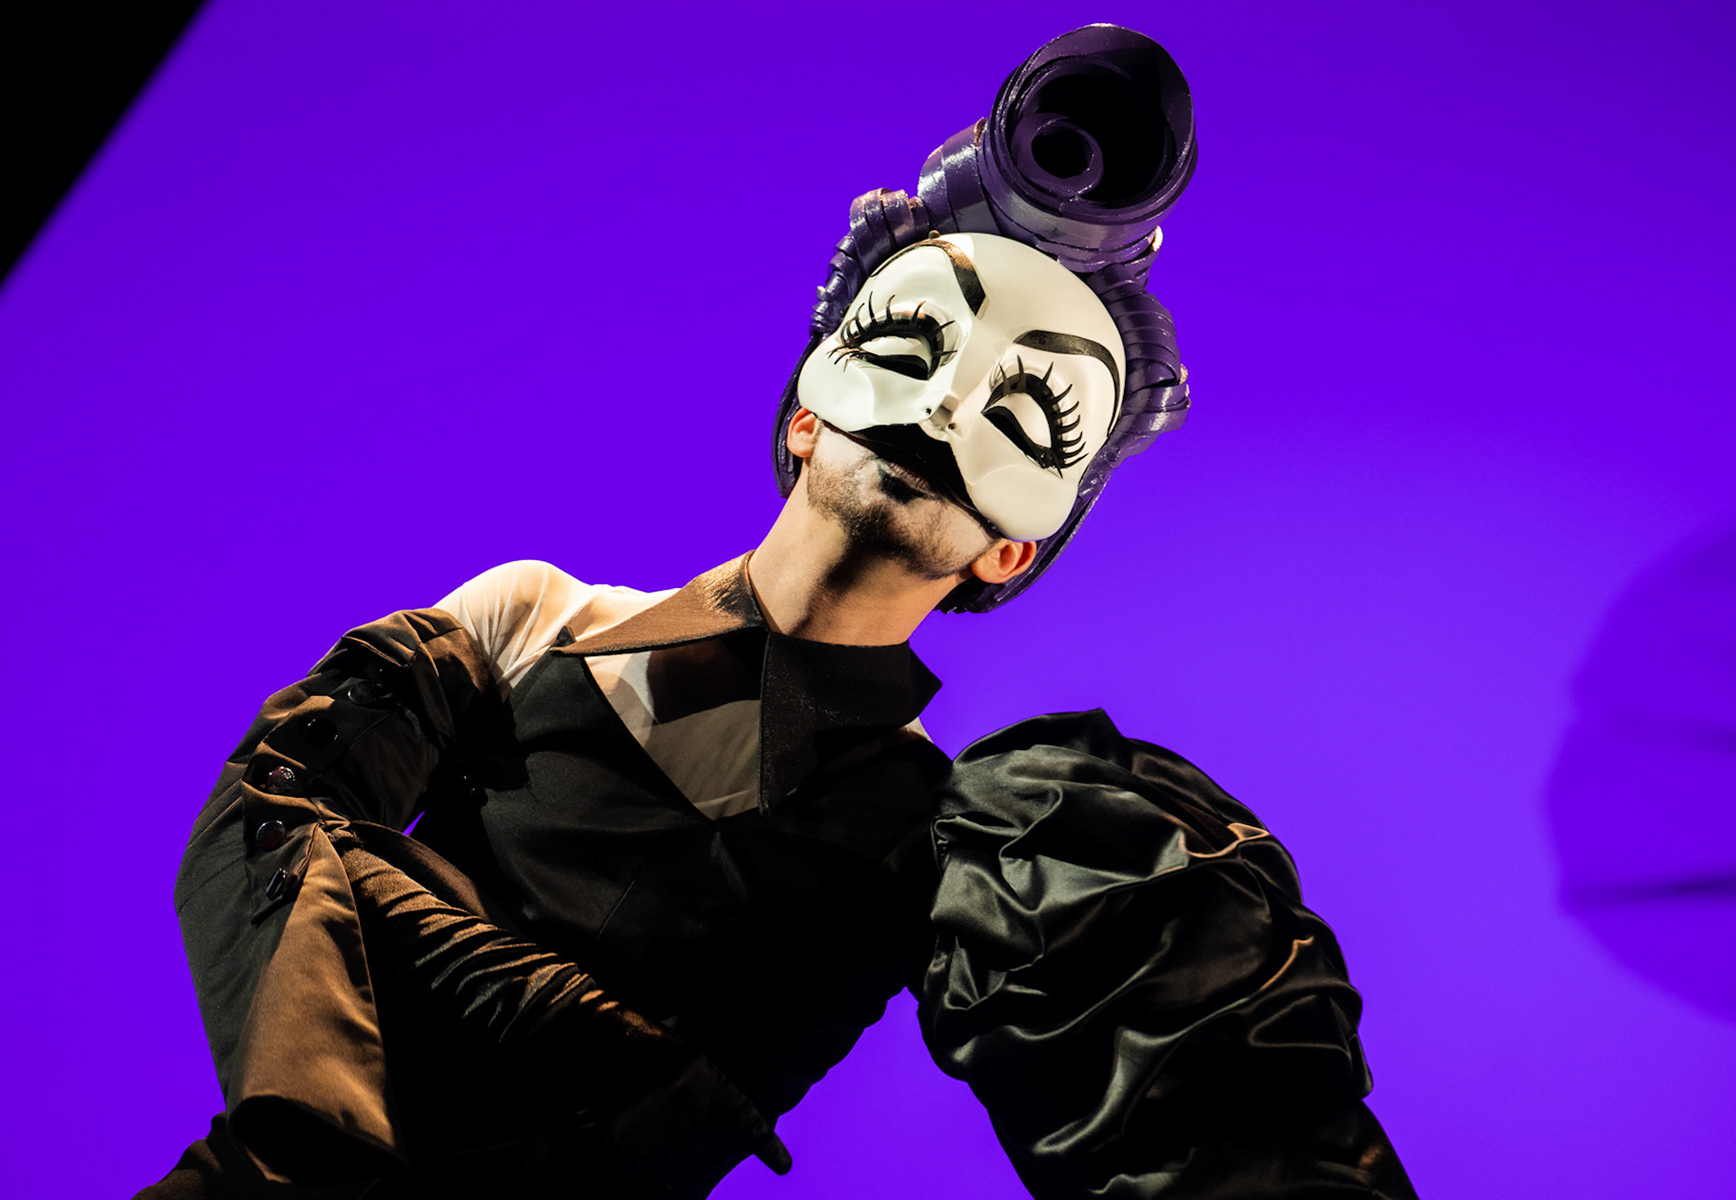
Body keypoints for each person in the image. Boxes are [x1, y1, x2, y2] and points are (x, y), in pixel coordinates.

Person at [146, 26, 1415, 1200]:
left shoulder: (947, 841)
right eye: (909, 346)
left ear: (1018, 548)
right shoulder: (534, 619)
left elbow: (1193, 1106)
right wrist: (581, 1044)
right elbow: (264, 828)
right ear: (807, 408)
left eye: (1030, 415)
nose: (945, 411)